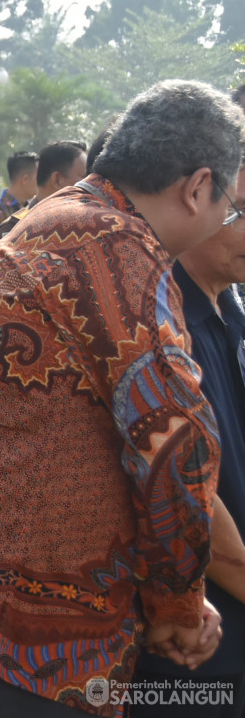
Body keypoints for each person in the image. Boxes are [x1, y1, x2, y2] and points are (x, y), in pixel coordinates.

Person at [0, 79, 243, 717]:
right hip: (36, 651)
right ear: (196, 188)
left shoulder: (49, 219)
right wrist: (178, 607)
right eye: (232, 206)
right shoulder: (124, 254)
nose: (228, 221)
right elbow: (175, 452)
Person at [131, 136, 245, 718]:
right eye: (242, 212)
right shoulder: (161, 323)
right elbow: (178, 480)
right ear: (198, 201)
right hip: (193, 628)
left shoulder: (231, 309)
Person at [0, 140, 88, 253]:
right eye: (84, 177)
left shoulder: (78, 231)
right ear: (57, 180)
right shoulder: (10, 233)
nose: (89, 184)